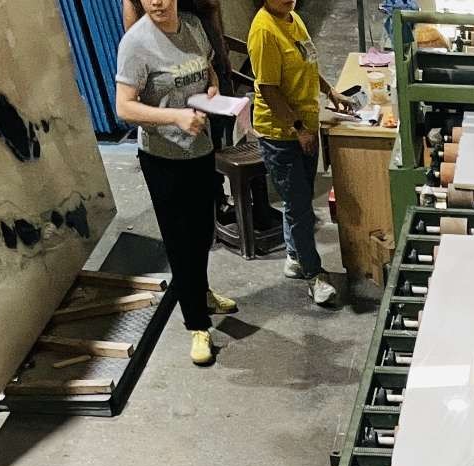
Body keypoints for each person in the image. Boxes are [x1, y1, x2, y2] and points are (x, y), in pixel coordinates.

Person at [115, 0, 236, 367]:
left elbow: (208, 69)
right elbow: (124, 107)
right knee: (180, 241)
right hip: (163, 158)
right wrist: (175, 117)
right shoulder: (136, 43)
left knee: (202, 232)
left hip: (199, 149)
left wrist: (212, 89)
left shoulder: (192, 27)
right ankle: (197, 325)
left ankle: (200, 291)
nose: (157, 1)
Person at [248, 0, 351, 307]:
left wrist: (330, 90)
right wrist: (297, 129)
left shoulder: (292, 18)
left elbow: (307, 63)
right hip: (281, 135)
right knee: (300, 206)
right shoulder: (264, 31)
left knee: (299, 200)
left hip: (305, 123)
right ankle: (314, 275)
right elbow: (269, 90)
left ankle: (294, 257)